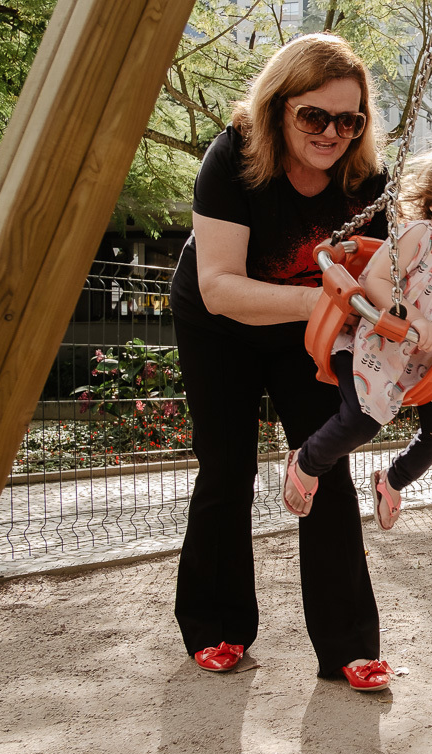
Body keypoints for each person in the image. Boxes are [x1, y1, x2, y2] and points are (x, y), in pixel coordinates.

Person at [168, 33, 394, 691]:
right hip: (220, 324)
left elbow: (384, 276)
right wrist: (320, 302)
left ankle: (349, 646)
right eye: (314, 116)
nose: (332, 133)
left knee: (324, 465)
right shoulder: (234, 157)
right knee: (227, 466)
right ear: (278, 106)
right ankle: (215, 626)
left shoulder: (367, 181)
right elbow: (219, 286)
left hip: (308, 331)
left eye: (349, 121)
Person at [282, 141, 432, 535]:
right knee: (361, 422)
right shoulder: (417, 236)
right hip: (373, 346)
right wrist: (416, 320)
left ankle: (392, 481)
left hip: (422, 362)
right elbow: (376, 282)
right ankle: (307, 462)